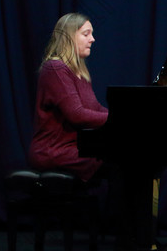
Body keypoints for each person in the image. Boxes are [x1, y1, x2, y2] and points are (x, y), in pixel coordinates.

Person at [28, 13, 108, 181]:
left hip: (76, 148)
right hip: (54, 151)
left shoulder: (81, 73)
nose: (92, 39)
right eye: (86, 34)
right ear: (69, 37)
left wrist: (126, 117)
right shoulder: (55, 69)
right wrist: (120, 119)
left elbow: (97, 109)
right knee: (119, 156)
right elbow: (77, 115)